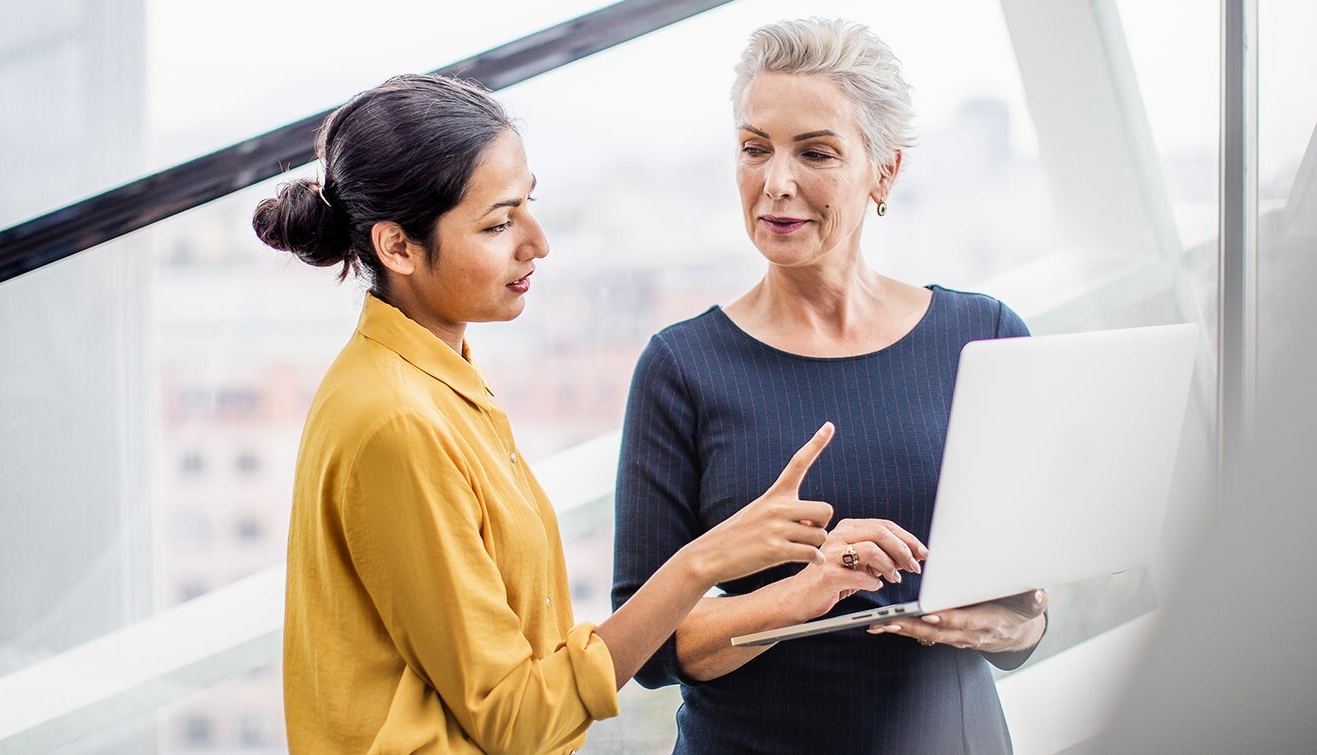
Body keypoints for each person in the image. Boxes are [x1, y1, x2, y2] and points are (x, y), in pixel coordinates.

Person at [251, 73, 841, 754]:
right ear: (397, 247)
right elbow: (517, 719)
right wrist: (703, 561)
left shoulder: (437, 382)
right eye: (499, 223)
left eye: (529, 204)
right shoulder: (397, 419)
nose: (537, 241)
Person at [612, 18, 1047, 753]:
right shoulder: (681, 368)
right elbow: (651, 648)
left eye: (815, 152)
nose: (776, 183)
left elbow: (1029, 602)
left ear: (884, 172)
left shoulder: (986, 335)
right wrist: (808, 592)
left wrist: (1019, 623)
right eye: (755, 149)